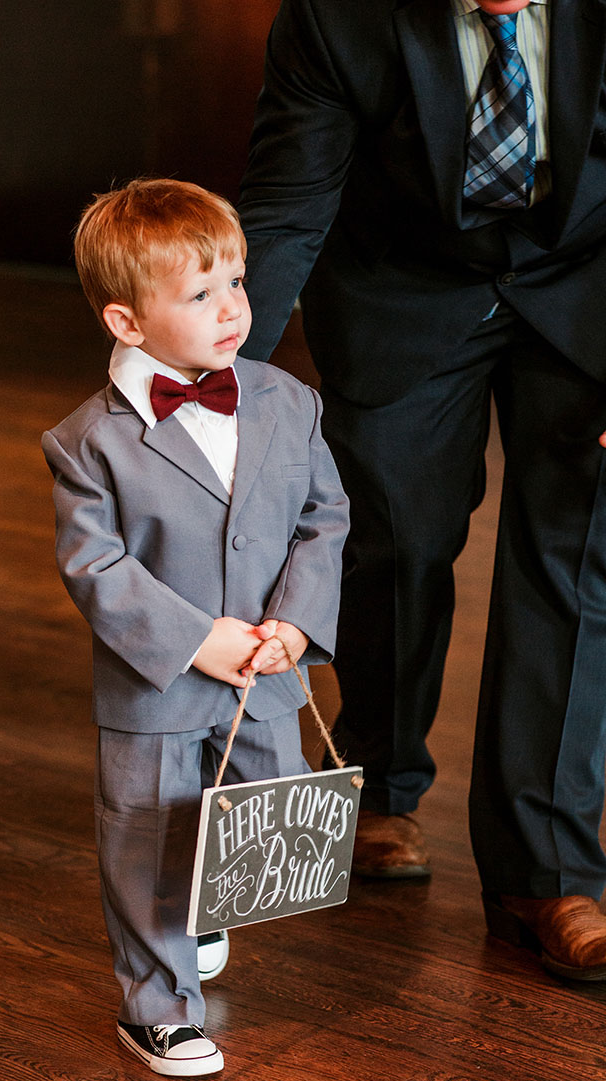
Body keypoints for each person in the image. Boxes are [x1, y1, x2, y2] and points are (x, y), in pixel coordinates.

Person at [237, 0, 606, 981]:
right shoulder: (335, 14)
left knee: (575, 558)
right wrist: (207, 390)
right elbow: (282, 207)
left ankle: (547, 872)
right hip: (399, 283)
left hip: (584, 280)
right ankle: (377, 786)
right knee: (393, 538)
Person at [42, 178, 349, 1076]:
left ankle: (204, 909)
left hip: (267, 671)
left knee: (253, 801)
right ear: (126, 324)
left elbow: (322, 519)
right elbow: (95, 566)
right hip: (160, 682)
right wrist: (194, 640)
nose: (232, 310)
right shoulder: (87, 442)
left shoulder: (288, 400)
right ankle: (156, 1003)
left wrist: (294, 623)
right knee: (148, 831)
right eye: (200, 294)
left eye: (237, 283)